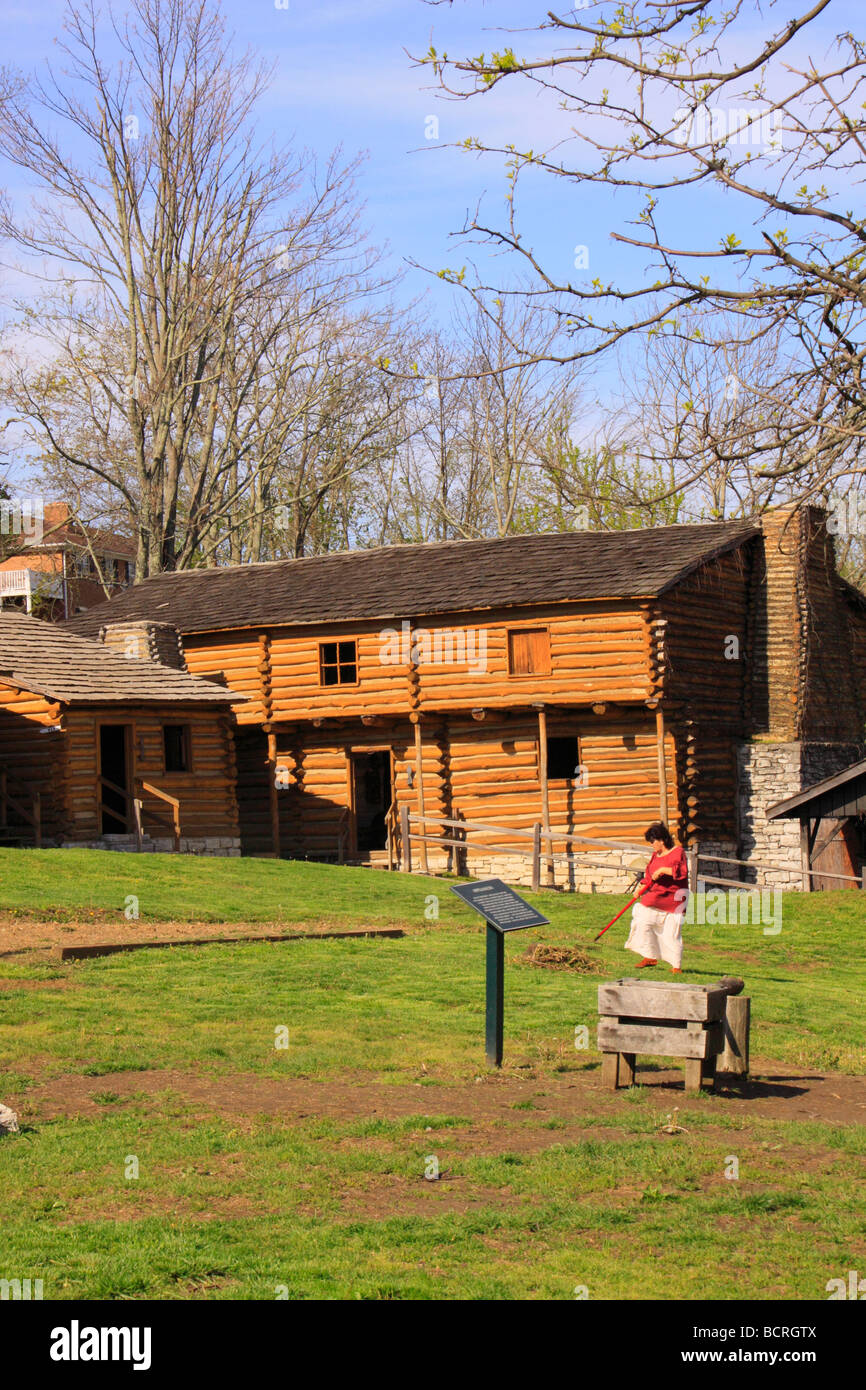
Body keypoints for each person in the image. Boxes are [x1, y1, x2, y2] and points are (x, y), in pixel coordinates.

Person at [624, 821, 689, 973]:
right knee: (642, 921)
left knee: (671, 934)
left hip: (674, 898)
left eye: (653, 841)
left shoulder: (678, 852)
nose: (652, 845)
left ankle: (676, 966)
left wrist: (663, 870)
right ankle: (649, 956)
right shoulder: (655, 856)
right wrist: (640, 887)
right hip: (656, 897)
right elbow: (648, 876)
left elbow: (682, 871)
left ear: (662, 840)